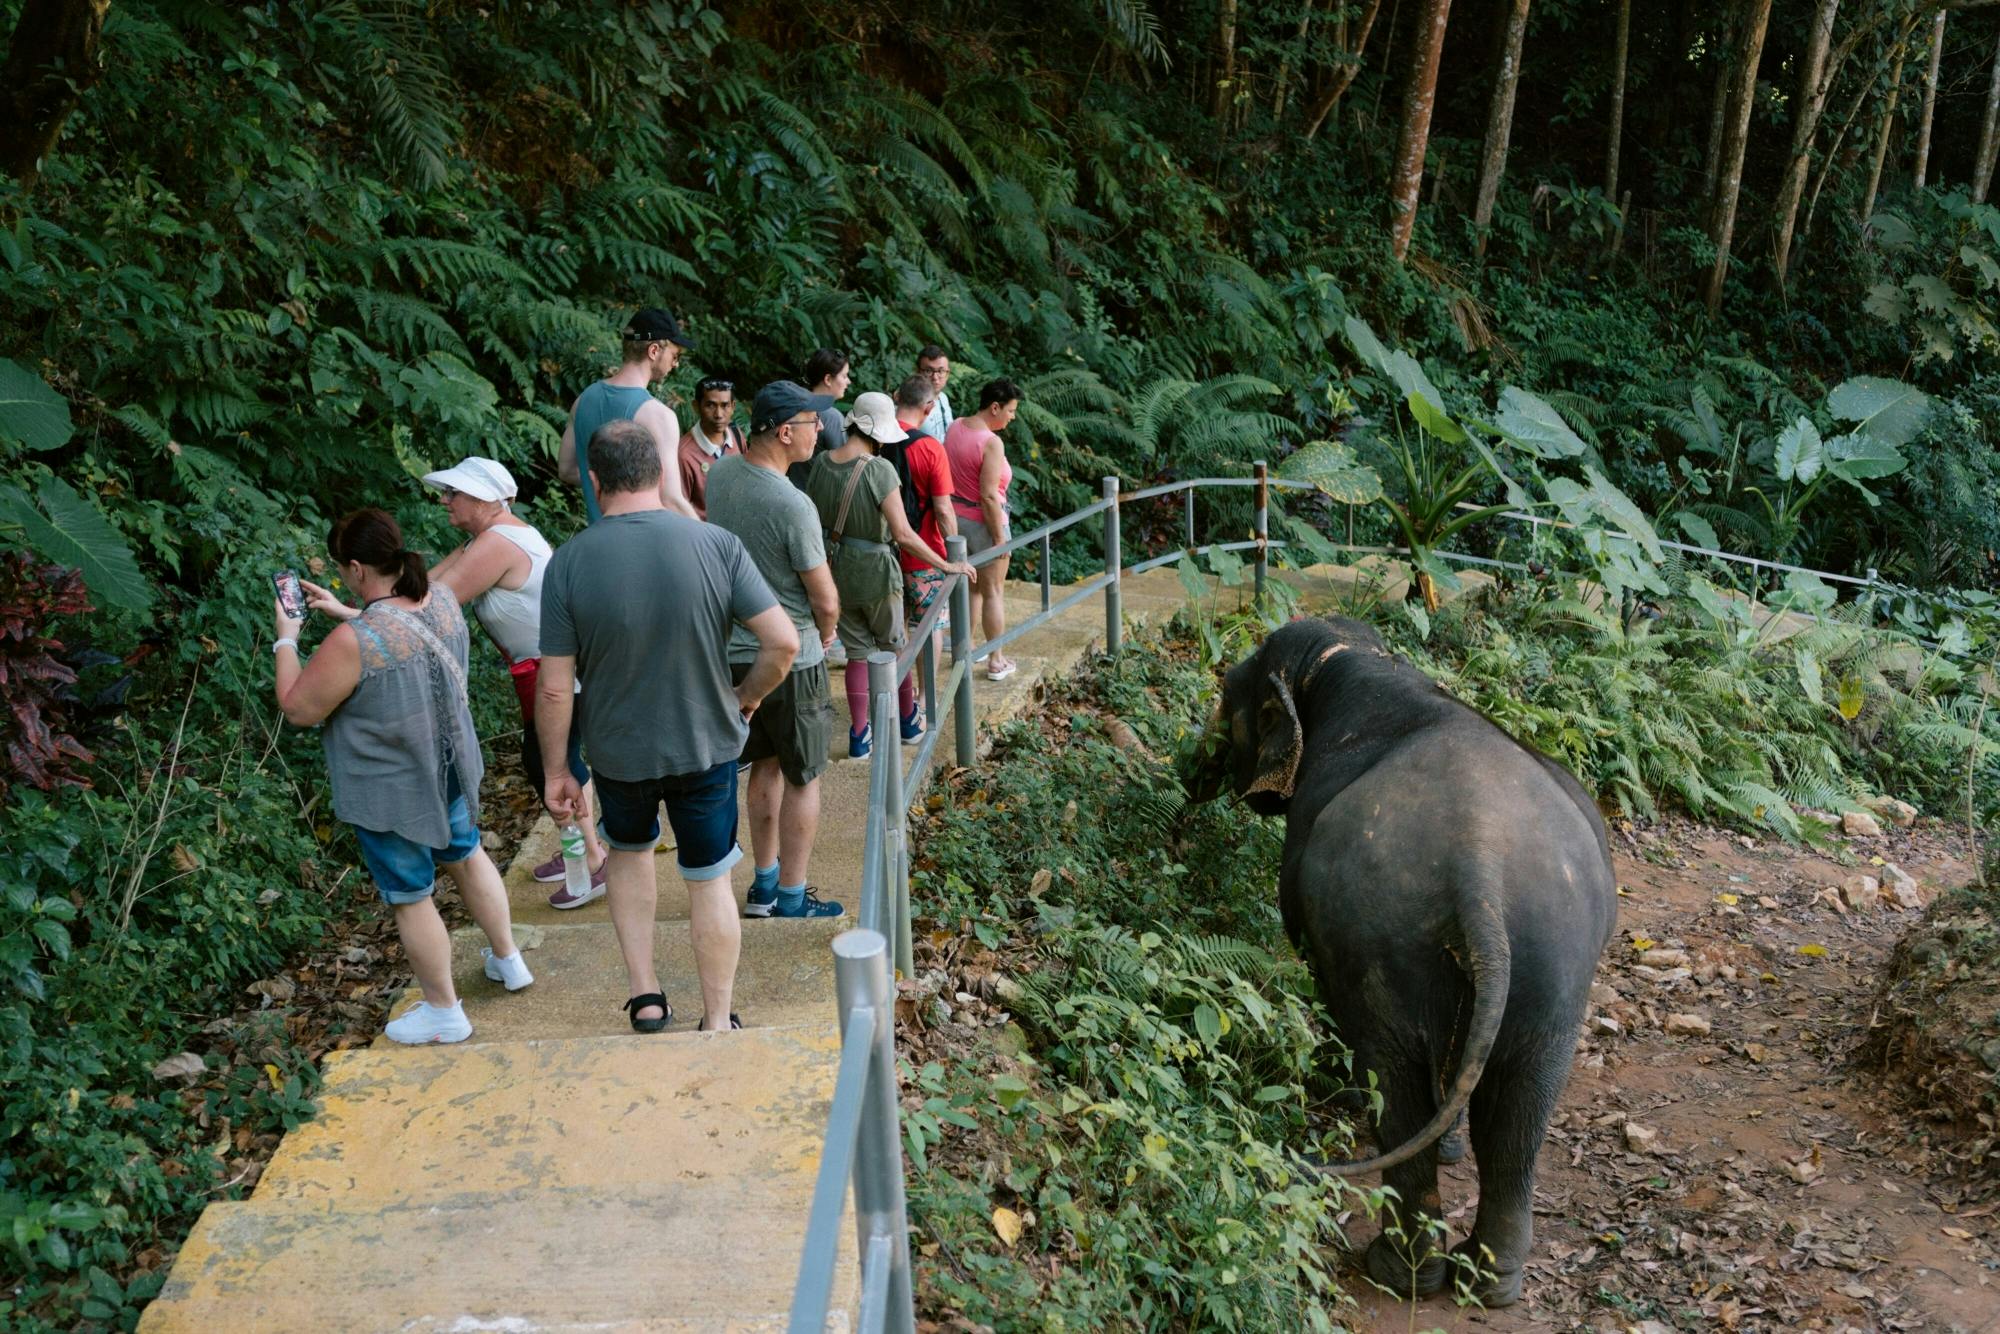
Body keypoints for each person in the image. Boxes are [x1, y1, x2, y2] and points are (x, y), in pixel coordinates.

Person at [536, 418, 800, 1034]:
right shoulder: (715, 545)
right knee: (709, 880)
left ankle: (646, 996)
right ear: (660, 473)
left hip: (618, 753)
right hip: (705, 743)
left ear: (596, 481)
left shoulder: (569, 563)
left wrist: (558, 770)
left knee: (628, 856)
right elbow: (783, 644)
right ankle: (715, 1019)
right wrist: (743, 698)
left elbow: (554, 685)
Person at [273, 509, 528, 1045]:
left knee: (411, 894)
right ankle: (508, 959)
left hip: (395, 790)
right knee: (465, 852)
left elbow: (298, 709)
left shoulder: (353, 640)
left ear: (359, 568)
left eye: (345, 570)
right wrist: (348, 612)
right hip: (451, 767)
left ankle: (443, 1011)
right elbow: (403, 634)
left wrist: (287, 639)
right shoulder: (439, 598)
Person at [423, 456, 608, 910]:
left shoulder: (497, 543)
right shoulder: (490, 537)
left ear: (485, 499)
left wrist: (367, 620)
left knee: (551, 764)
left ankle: (595, 862)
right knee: (555, 761)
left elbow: (435, 607)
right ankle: (580, 850)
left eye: (454, 493)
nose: (445, 501)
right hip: (548, 667)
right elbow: (425, 588)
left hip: (552, 670)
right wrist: (367, 612)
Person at [704, 383, 846, 921]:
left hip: (734, 651)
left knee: (762, 765)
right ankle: (792, 893)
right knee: (804, 773)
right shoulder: (793, 504)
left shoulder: (721, 475)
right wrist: (827, 632)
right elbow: (825, 598)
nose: (820, 432)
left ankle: (762, 886)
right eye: (813, 423)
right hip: (792, 656)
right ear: (786, 432)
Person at [803, 392, 974, 758]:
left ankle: (859, 735)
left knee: (858, 654)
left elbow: (813, 517)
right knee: (895, 646)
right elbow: (903, 534)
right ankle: (908, 719)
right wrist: (946, 564)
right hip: (878, 573)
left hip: (835, 571)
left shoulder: (821, 463)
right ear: (879, 432)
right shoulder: (879, 469)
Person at [558, 308, 700, 523]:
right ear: (654, 351)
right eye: (675, 355)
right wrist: (712, 543)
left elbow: (567, 471)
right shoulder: (659, 416)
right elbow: (670, 500)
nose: (676, 363)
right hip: (642, 550)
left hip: (596, 544)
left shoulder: (583, 400)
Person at [945, 378, 1023, 681]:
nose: (1012, 417)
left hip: (956, 518)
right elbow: (989, 495)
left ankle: (964, 650)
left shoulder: (955, 426)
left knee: (974, 588)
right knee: (993, 591)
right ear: (995, 407)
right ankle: (996, 660)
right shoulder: (991, 442)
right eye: (1011, 410)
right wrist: (1001, 539)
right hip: (984, 521)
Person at [892, 374, 957, 709]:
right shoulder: (931, 447)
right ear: (930, 407)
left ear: (895, 396)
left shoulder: (874, 441)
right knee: (929, 625)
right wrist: (954, 550)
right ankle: (924, 696)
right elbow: (944, 509)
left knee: (893, 628)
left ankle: (897, 702)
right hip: (925, 553)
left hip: (885, 552)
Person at [679, 376, 744, 519]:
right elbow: (679, 508)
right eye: (710, 405)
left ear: (733, 406)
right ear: (696, 406)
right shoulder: (684, 454)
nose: (719, 415)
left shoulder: (737, 436)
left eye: (725, 405)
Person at [787, 348, 851, 487]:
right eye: (844, 376)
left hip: (789, 490)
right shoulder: (831, 417)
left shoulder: (792, 406)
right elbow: (844, 469)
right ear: (828, 379)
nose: (848, 382)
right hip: (816, 502)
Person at [917, 344, 954, 443]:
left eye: (941, 371)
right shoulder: (911, 401)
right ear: (918, 372)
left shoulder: (943, 398)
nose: (935, 377)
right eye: (928, 371)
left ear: (947, 374)